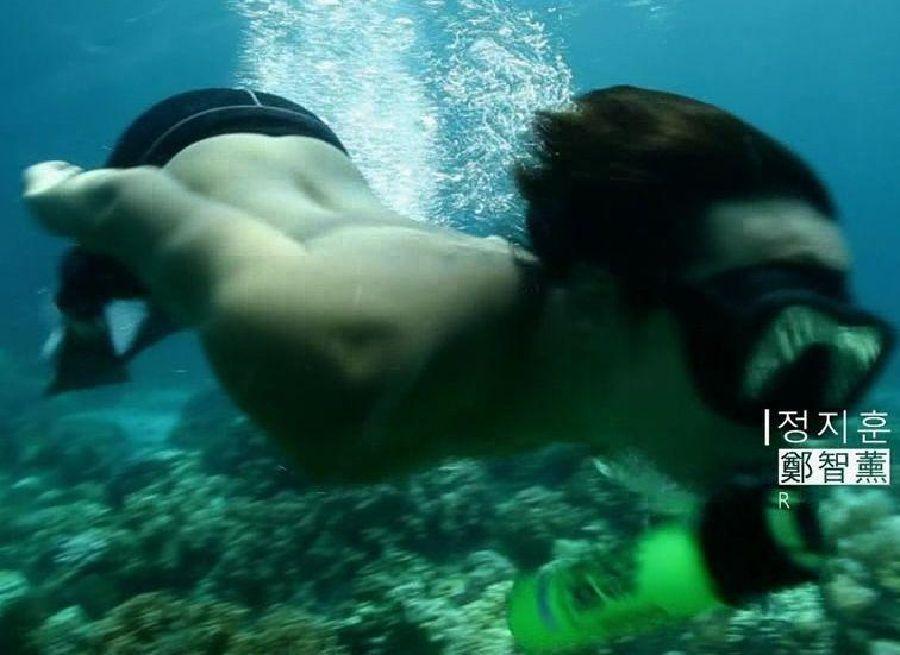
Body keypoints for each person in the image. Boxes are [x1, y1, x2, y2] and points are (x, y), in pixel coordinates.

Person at [22, 86, 893, 637]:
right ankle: (94, 319)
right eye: (763, 336)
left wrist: (846, 503)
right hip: (189, 148)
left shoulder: (649, 370)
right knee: (99, 344)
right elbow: (133, 204)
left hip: (325, 212)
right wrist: (55, 189)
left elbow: (840, 459)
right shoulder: (344, 355)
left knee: (215, 288)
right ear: (597, 305)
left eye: (833, 350)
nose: (804, 413)